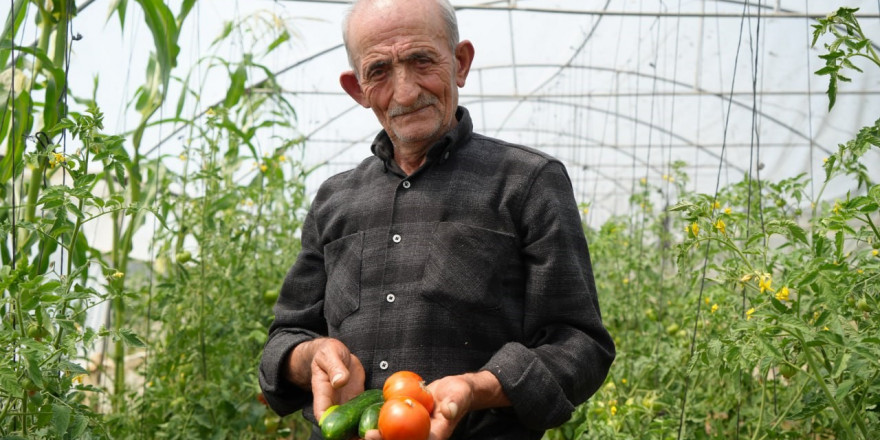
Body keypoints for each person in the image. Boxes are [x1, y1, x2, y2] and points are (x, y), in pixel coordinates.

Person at [259, 0, 615, 438]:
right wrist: (309, 355)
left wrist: (479, 387)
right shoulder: (336, 198)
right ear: (358, 89)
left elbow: (579, 343)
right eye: (380, 71)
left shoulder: (527, 182)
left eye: (421, 60)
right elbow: (284, 337)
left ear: (460, 63)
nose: (406, 92)